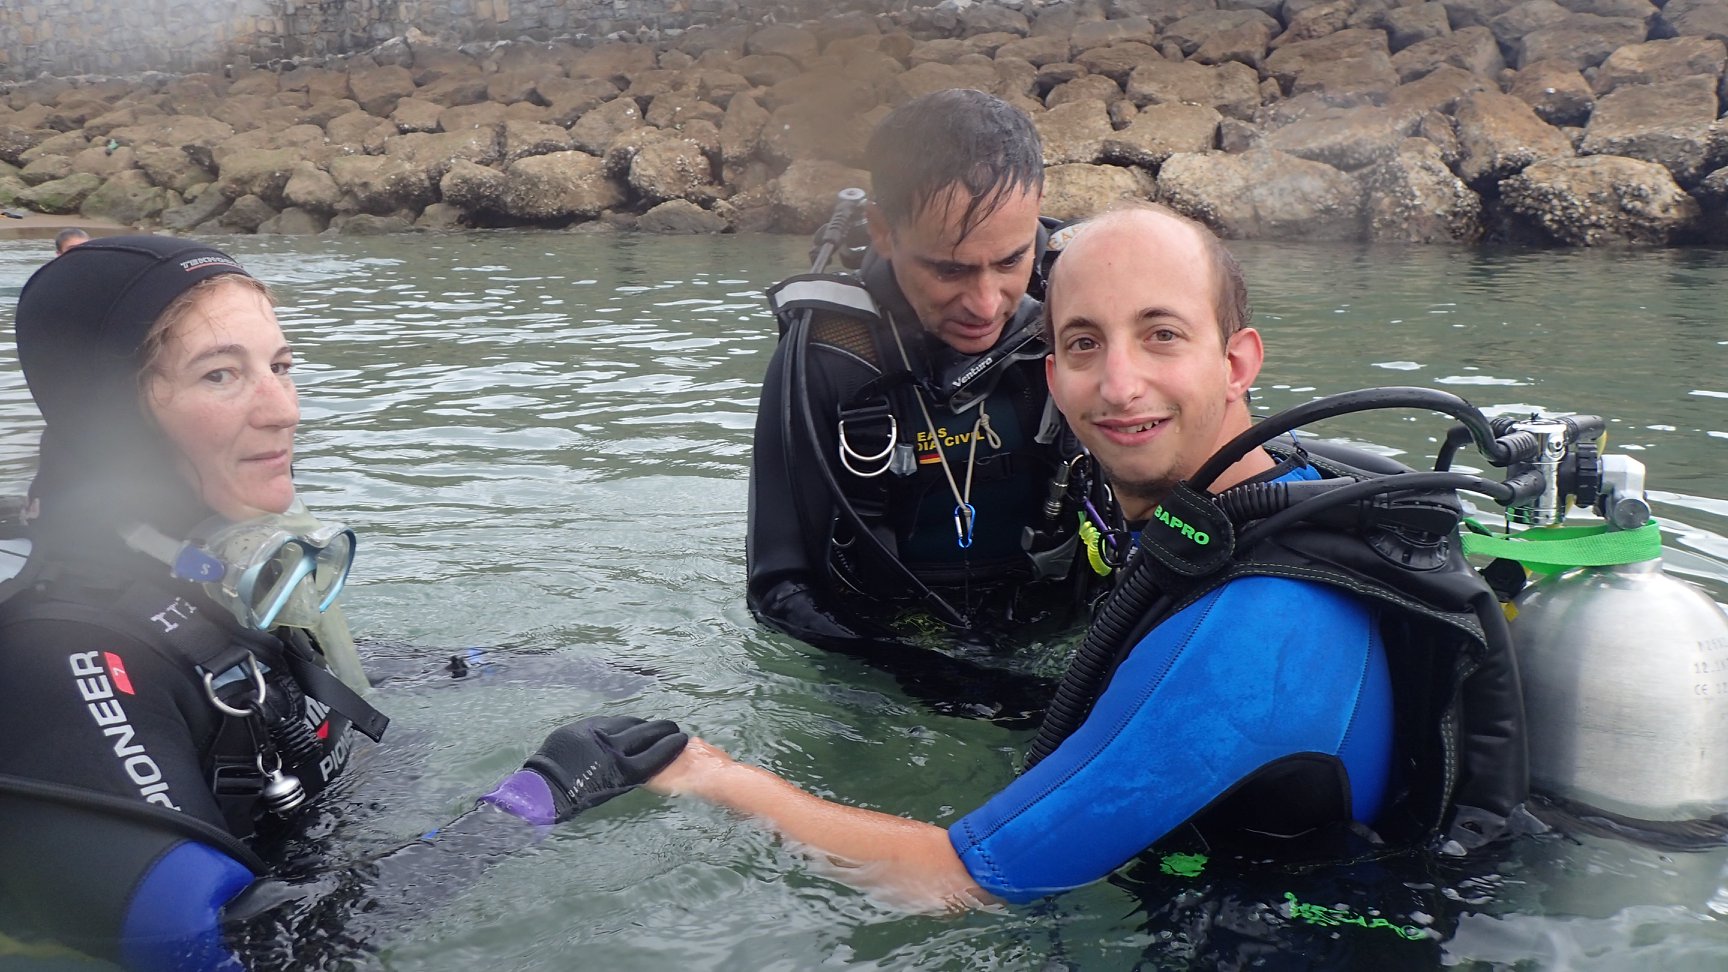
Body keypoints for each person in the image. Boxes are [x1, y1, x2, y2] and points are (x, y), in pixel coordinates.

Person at [647, 205, 1528, 907]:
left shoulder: (1249, 637)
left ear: (1239, 360)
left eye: (1162, 335)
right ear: (1051, 367)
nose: (1117, 384)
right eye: (1083, 343)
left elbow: (958, 882)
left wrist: (702, 773)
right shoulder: (1299, 497)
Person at [0, 236, 686, 970]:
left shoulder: (190, 563)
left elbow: (256, 676)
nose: (283, 408)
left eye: (280, 365)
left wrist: (485, 667)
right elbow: (232, 952)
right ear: (113, 417)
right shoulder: (63, 658)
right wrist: (534, 802)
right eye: (221, 374)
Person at [746, 88, 1089, 672]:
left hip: (1061, 624)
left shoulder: (1080, 314)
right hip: (886, 646)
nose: (985, 304)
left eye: (1010, 260)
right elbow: (779, 590)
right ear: (883, 231)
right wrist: (937, 682)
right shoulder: (827, 354)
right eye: (949, 269)